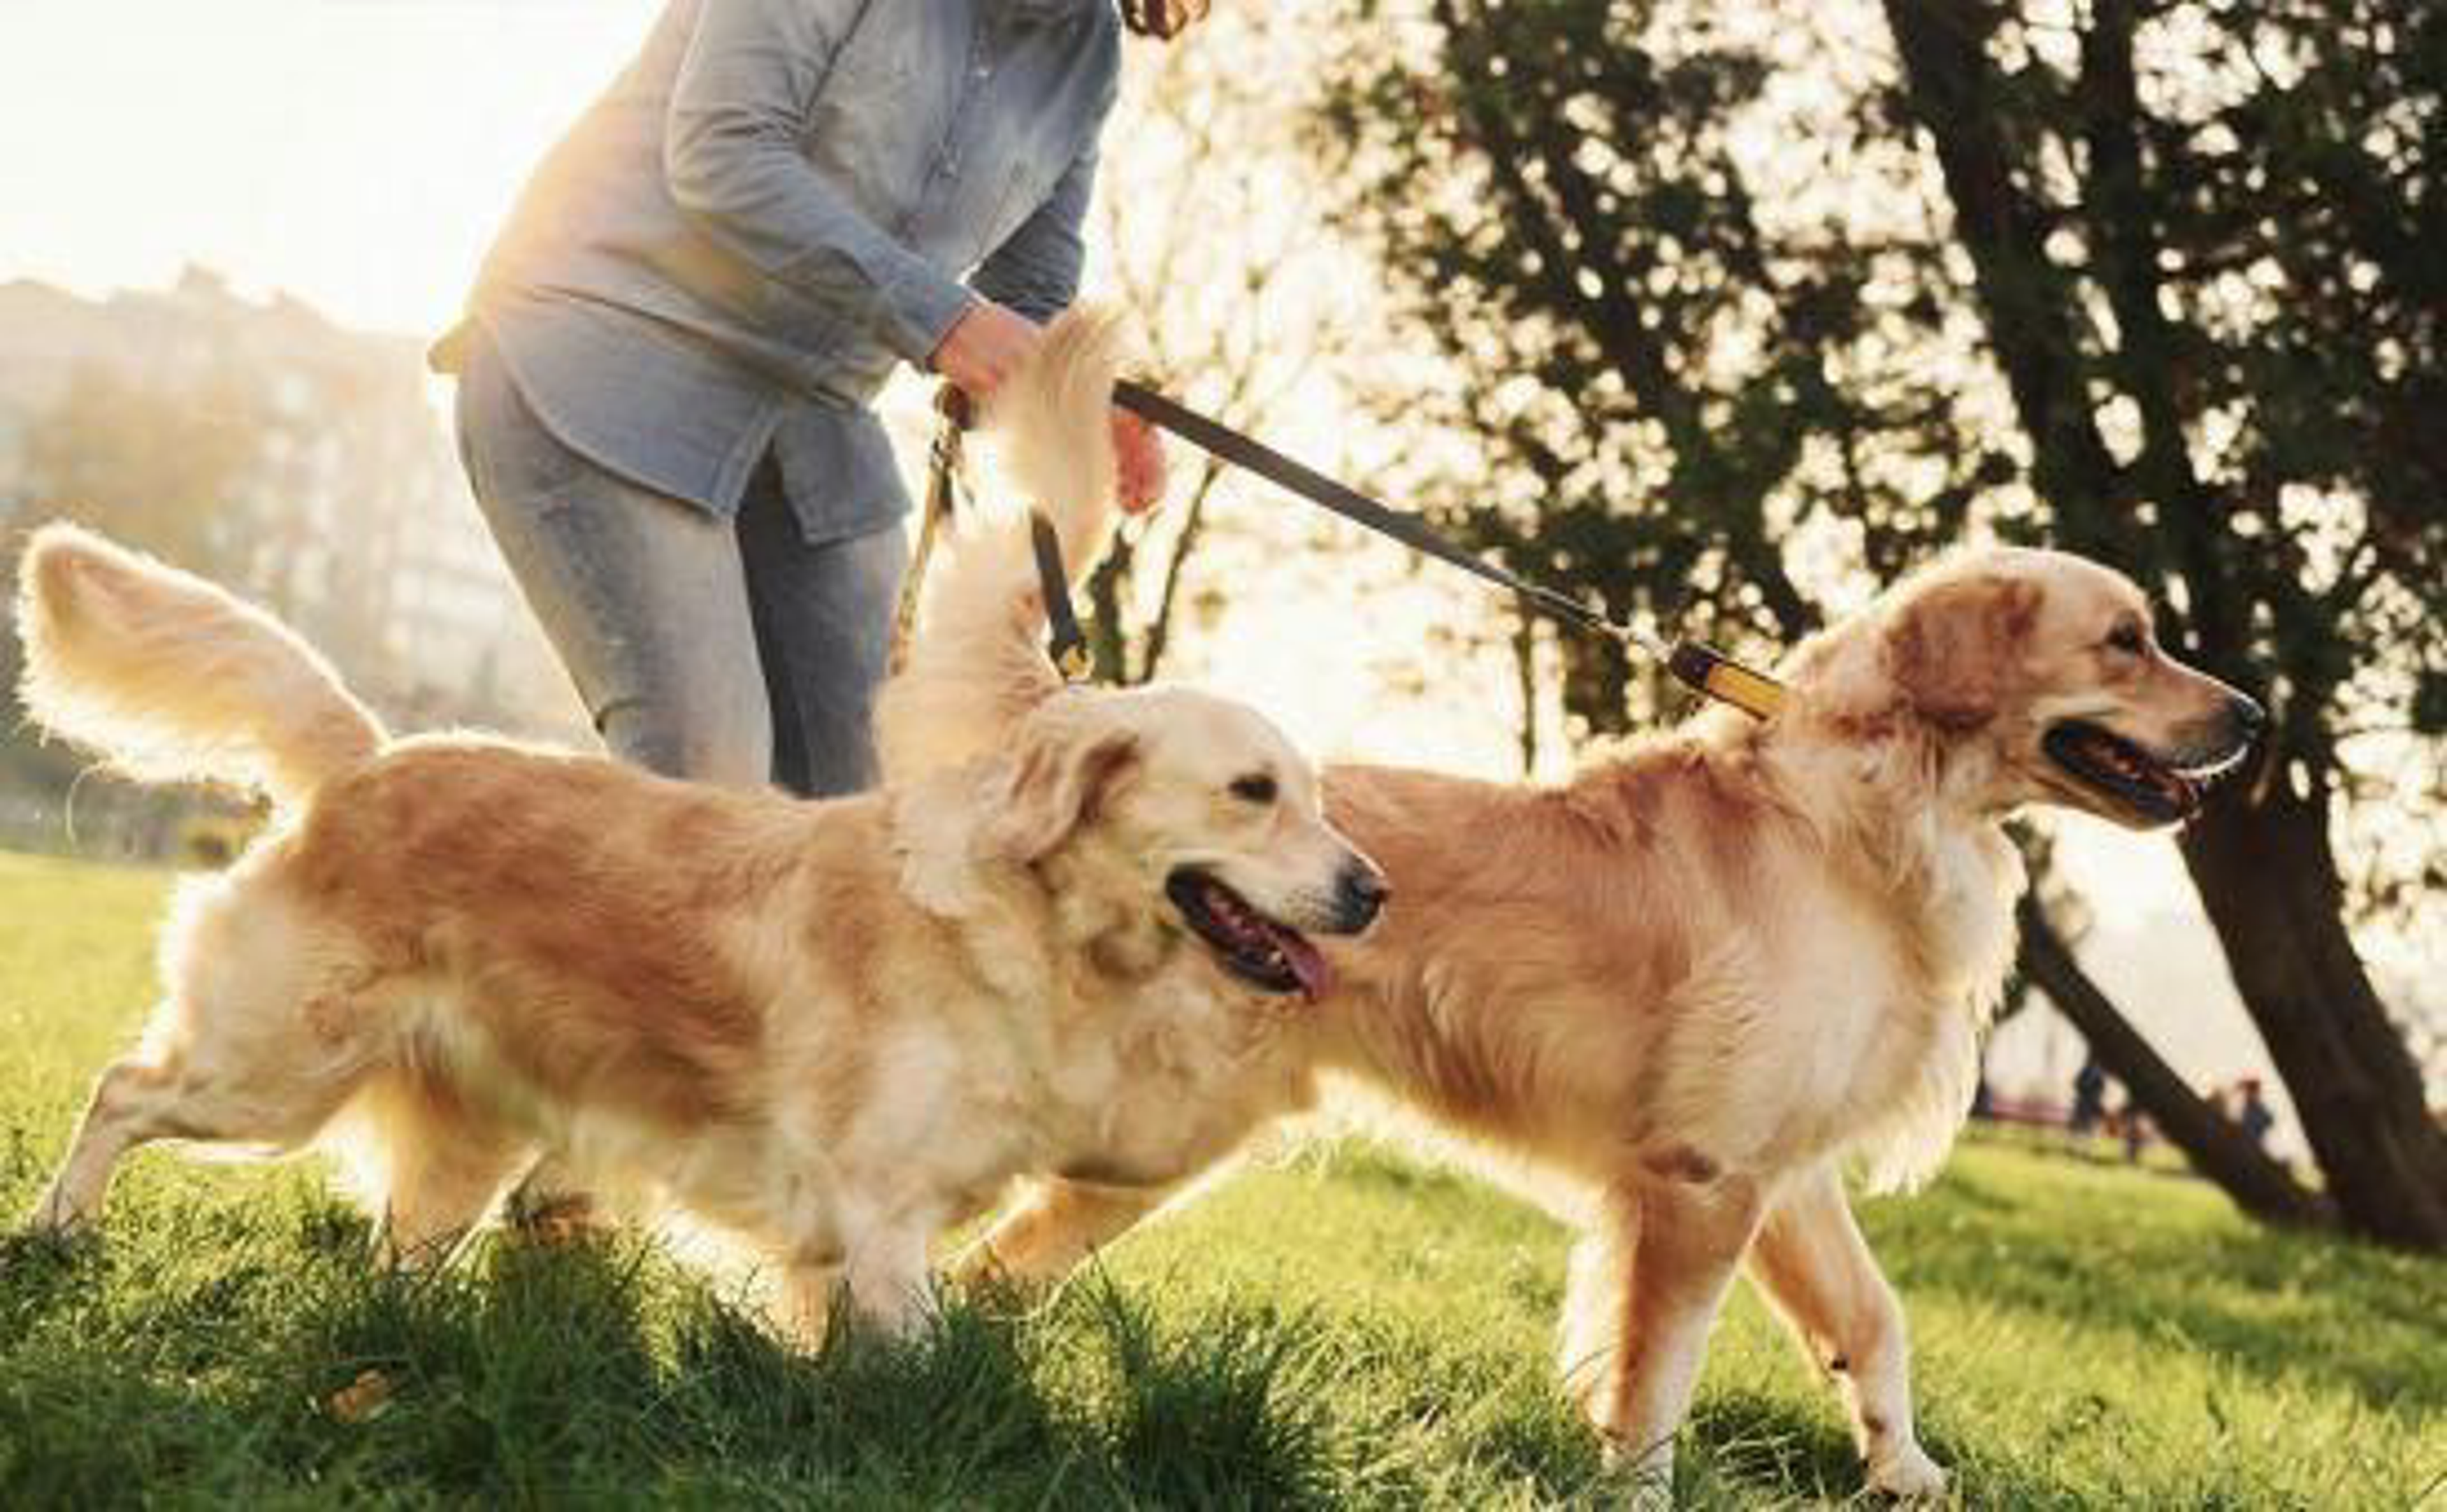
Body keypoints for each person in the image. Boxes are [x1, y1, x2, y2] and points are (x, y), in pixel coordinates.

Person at [438, 0, 1192, 800]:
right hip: (607, 358)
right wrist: (945, 321)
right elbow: (723, 151)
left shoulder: (1087, 49)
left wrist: (1085, 399)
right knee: (709, 787)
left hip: (817, 429)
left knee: (886, 808)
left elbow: (1032, 289)